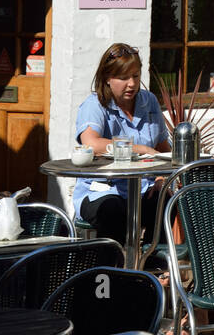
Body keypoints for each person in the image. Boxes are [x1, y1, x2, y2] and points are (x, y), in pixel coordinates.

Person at [73, 42, 170, 245]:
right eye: (124, 77)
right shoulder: (95, 105)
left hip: (142, 190)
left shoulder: (149, 102)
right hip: (101, 191)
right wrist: (139, 149)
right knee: (113, 209)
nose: (132, 84)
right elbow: (91, 143)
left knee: (166, 201)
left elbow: (164, 151)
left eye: (135, 76)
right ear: (107, 78)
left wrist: (162, 177)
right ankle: (111, 271)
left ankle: (155, 266)